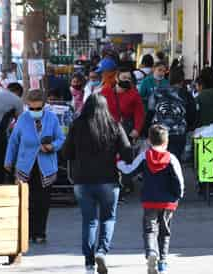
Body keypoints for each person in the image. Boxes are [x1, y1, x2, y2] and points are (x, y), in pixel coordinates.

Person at [62, 94, 131, 274]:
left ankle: (89, 262)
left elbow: (66, 153)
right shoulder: (114, 125)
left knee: (89, 221)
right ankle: (102, 251)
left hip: (82, 180)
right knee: (108, 218)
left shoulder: (77, 126)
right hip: (108, 180)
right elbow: (127, 153)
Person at [117, 124, 185, 274]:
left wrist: (119, 164)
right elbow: (180, 181)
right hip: (168, 202)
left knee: (149, 230)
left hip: (150, 200)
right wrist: (178, 196)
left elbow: (130, 170)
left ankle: (151, 254)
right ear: (166, 141)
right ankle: (163, 262)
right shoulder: (171, 159)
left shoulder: (144, 156)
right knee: (165, 231)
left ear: (148, 141)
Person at [5, 89, 65, 243]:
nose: (35, 111)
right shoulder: (23, 119)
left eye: (38, 108)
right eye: (32, 108)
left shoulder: (52, 118)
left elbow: (61, 138)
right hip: (25, 167)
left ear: (44, 106)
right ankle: (27, 232)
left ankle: (40, 233)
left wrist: (52, 146)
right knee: (26, 201)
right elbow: (13, 142)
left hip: (46, 167)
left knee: (43, 202)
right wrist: (8, 162)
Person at [102, 67, 145, 196]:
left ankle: (125, 184)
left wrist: (137, 130)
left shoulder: (134, 94)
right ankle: (111, 182)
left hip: (126, 130)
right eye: (124, 77)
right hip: (108, 129)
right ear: (117, 78)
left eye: (129, 78)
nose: (126, 80)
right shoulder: (106, 92)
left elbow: (139, 114)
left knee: (125, 158)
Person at [147, 64, 196, 159]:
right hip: (178, 133)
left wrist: (146, 131)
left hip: (159, 133)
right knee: (174, 161)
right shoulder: (186, 95)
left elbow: (150, 112)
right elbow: (192, 114)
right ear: (182, 80)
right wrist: (188, 128)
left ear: (168, 79)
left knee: (159, 161)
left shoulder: (157, 93)